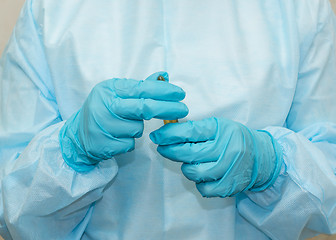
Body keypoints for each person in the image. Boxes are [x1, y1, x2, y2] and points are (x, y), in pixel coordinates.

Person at [0, 0, 336, 239]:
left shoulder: (300, 7)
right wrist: (70, 151)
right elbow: (9, 206)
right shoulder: (51, 9)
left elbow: (330, 181)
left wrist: (270, 164)